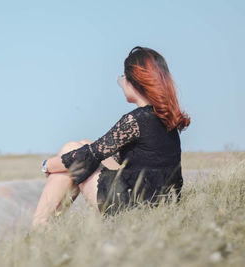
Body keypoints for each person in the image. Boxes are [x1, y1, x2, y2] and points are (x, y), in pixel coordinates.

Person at [30, 46, 190, 230]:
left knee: (71, 151)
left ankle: (39, 226)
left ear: (135, 81)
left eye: (123, 78)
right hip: (158, 204)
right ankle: (45, 225)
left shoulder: (136, 120)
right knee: (81, 148)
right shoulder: (162, 117)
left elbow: (89, 156)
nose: (121, 83)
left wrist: (46, 166)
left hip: (134, 208)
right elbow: (103, 152)